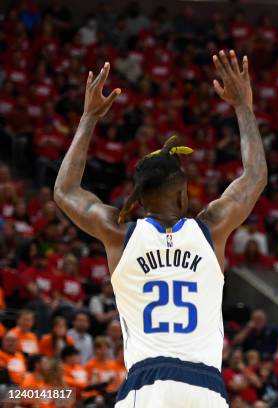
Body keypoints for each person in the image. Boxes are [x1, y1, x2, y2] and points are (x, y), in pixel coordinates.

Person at [53, 49, 266, 408]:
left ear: (137, 199)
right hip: (207, 390)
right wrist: (243, 107)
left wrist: (89, 117)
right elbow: (255, 176)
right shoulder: (211, 228)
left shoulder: (120, 234)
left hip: (147, 385)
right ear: (183, 194)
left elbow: (65, 191)